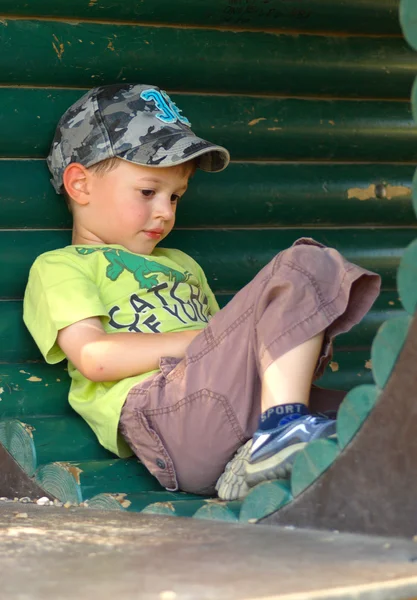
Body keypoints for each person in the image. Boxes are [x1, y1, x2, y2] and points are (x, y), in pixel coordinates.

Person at [23, 83, 381, 501]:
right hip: (168, 416)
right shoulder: (62, 266)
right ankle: (281, 429)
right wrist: (202, 341)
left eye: (175, 196)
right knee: (305, 263)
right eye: (147, 192)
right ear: (80, 185)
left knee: (375, 420)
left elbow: (226, 353)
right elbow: (94, 358)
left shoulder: (182, 265)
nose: (165, 211)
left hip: (226, 410)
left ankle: (257, 454)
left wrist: (228, 341)